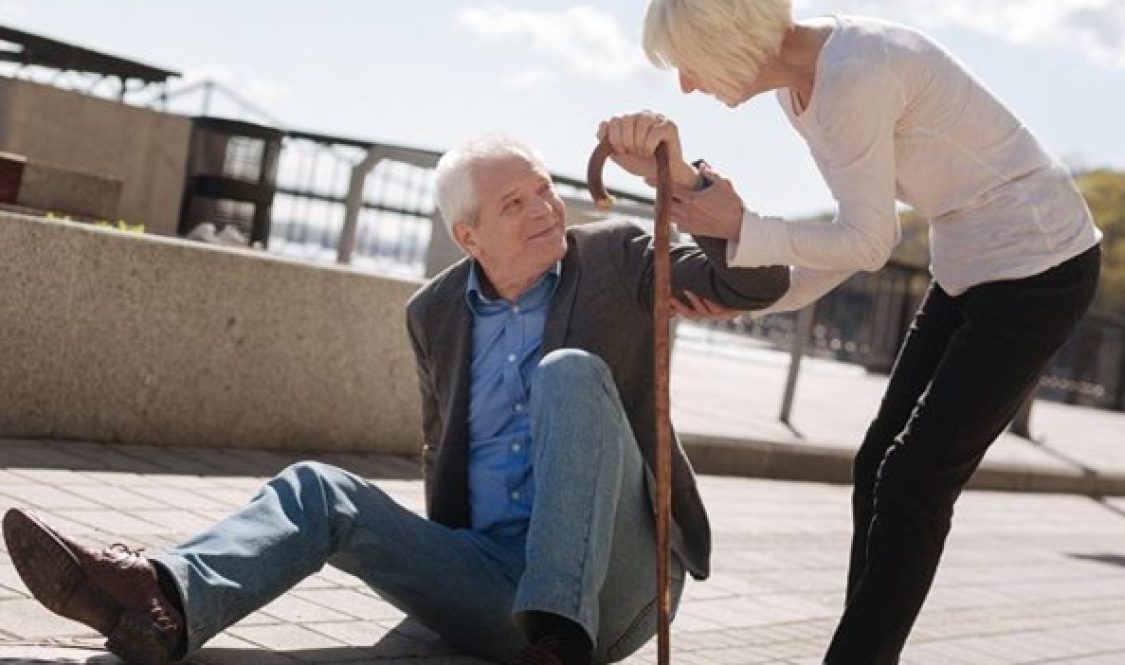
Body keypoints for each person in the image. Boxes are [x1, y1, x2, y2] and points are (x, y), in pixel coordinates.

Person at [2, 134, 789, 665]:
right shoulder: (434, 313)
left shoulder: (618, 253)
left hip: (618, 589)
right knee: (320, 489)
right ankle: (162, 598)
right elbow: (442, 451)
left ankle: (559, 639)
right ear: (467, 235)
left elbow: (752, 280)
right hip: (491, 584)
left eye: (544, 189)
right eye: (513, 203)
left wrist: (683, 182)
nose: (545, 207)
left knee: (569, 371)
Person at [598, 1, 1102, 663]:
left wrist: (742, 225)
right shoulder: (802, 90)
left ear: (726, 38)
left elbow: (867, 241)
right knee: (878, 466)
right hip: (969, 262)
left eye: (689, 63)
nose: (688, 85)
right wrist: (756, 293)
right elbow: (846, 238)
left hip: (1040, 264)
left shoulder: (852, 75)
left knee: (914, 480)